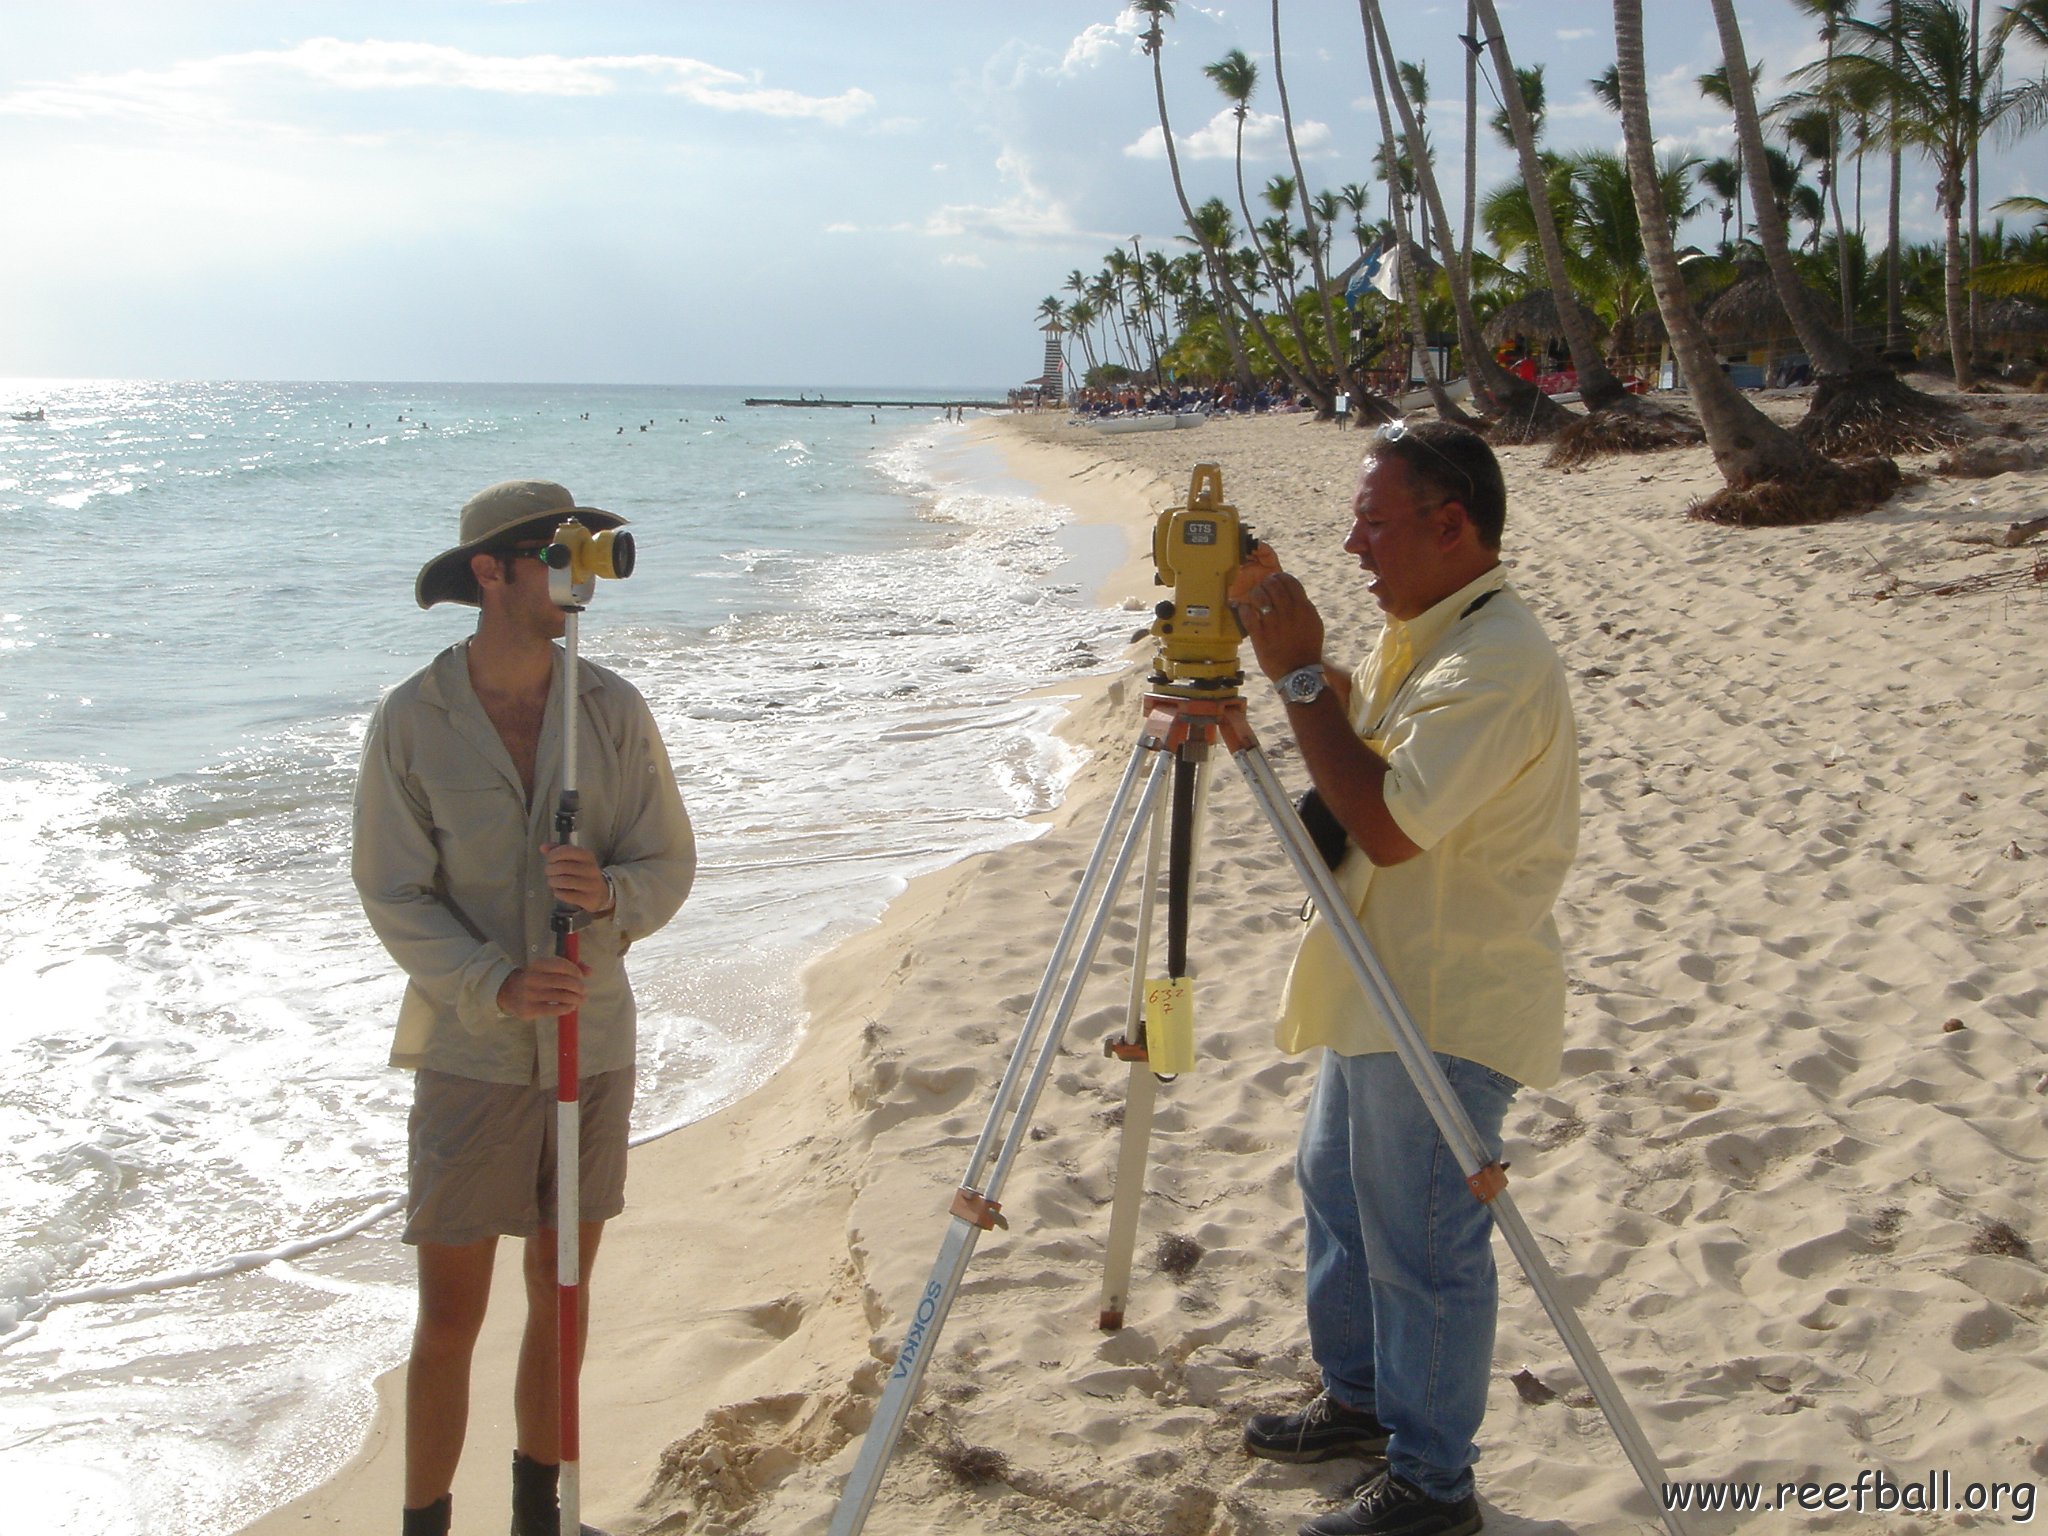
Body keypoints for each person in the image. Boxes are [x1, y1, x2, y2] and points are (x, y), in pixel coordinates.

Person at [1229, 422, 1579, 1536]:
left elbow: (1381, 825)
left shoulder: (1495, 662)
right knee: (1336, 1193)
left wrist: (1290, 673)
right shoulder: (1424, 630)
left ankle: (1434, 1488)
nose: (1354, 542)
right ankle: (1360, 1402)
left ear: (1450, 525)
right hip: (1378, 979)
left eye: (1373, 523)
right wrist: (1296, 647)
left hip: (1441, 999)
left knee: (1423, 1247)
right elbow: (1364, 749)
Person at [353, 479, 697, 1536]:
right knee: (450, 1314)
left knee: (561, 1293)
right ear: (488, 574)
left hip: (590, 1045)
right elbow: (391, 889)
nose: (574, 572)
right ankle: (425, 1523)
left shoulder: (611, 707)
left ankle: (537, 1519)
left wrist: (611, 897)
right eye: (552, 553)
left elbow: (666, 860)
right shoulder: (413, 718)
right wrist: (492, 983)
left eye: (581, 552)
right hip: (468, 1054)